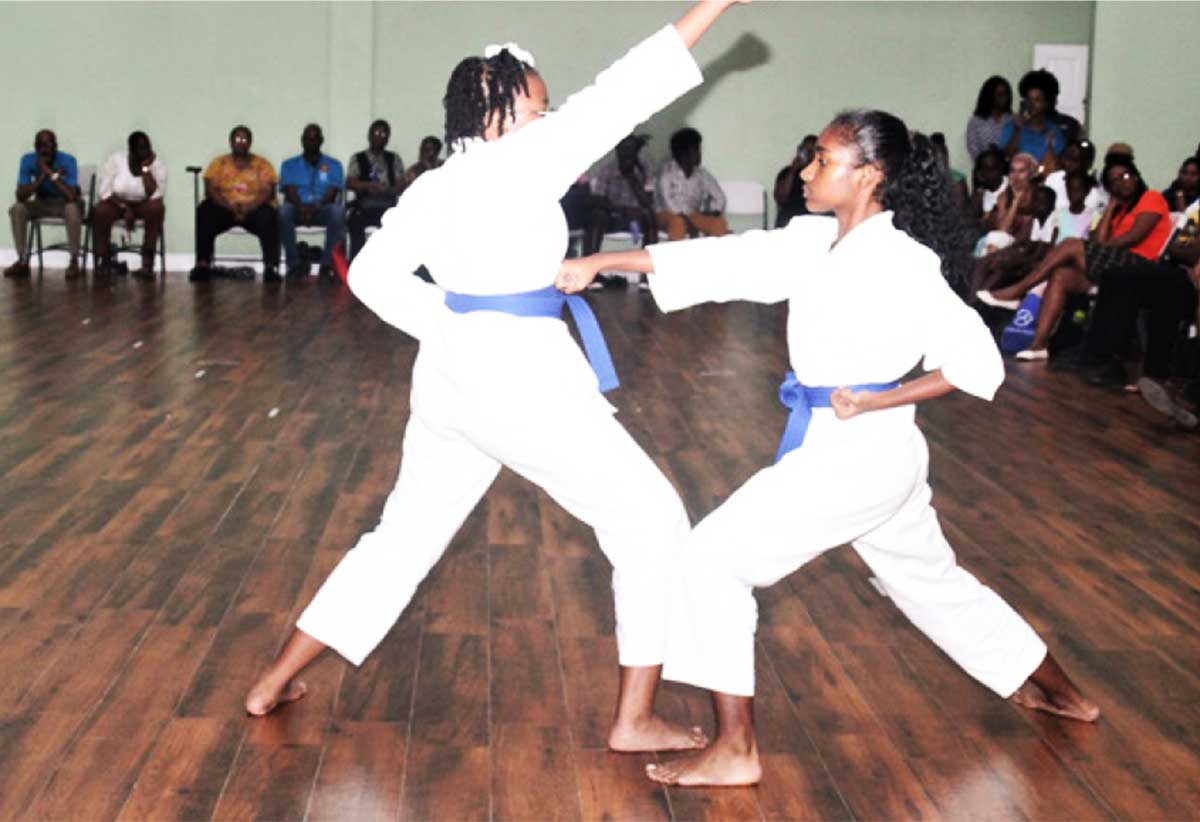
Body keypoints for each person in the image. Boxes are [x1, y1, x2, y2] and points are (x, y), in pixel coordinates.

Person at [244, 1, 750, 757]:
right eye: (542, 108)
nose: (552, 120)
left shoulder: (433, 184)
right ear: (505, 112)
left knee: (401, 539)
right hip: (522, 381)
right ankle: (633, 717)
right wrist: (715, 6)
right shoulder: (527, 157)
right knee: (650, 519)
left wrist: (450, 325)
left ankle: (273, 679)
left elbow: (374, 274)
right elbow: (629, 86)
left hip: (452, 381)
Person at [557, 109, 1098, 787]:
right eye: (812, 158)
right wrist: (602, 260)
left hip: (862, 455)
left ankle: (737, 748)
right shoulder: (815, 241)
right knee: (931, 582)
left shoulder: (905, 262)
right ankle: (1063, 692)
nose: (808, 171)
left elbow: (976, 362)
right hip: (856, 452)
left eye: (824, 160)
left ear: (870, 176)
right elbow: (721, 258)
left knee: (711, 559)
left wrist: (879, 398)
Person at [981, 154, 1171, 361]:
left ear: (1135, 176)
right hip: (1114, 267)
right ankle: (1038, 345)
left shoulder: (1151, 198)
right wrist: (1110, 209)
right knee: (1061, 275)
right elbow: (1098, 239)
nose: (1120, 183)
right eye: (1113, 181)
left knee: (1071, 243)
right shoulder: (1120, 210)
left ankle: (1019, 290)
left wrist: (1096, 247)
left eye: (1124, 176)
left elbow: (1134, 237)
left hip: (1142, 267)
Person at [192, 125, 280, 282]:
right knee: (204, 210)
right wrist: (231, 207)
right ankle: (203, 264)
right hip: (225, 207)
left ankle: (270, 267)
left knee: (269, 214)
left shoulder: (262, 164)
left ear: (250, 142)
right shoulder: (219, 163)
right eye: (237, 139)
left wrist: (249, 207)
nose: (241, 142)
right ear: (231, 142)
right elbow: (211, 190)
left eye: (245, 139)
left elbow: (268, 192)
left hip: (254, 208)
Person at [6, 129, 81, 279]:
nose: (44, 149)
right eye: (40, 145)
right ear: (35, 147)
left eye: (48, 144)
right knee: (17, 209)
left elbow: (71, 196)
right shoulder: (28, 160)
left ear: (56, 146)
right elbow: (20, 196)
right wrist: (42, 176)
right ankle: (22, 260)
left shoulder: (68, 160)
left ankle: (74, 261)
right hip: (41, 202)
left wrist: (51, 174)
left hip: (64, 203)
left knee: (72, 209)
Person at [92, 131, 166, 279]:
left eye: (147, 147)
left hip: (142, 204)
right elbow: (104, 192)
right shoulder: (115, 160)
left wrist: (146, 169)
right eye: (141, 148)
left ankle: (147, 263)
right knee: (100, 210)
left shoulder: (156, 164)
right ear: (131, 150)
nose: (145, 152)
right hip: (116, 202)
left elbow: (156, 195)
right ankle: (104, 260)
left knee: (157, 208)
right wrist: (124, 208)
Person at [278, 123, 345, 280]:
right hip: (297, 207)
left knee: (337, 211)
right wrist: (302, 207)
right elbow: (290, 192)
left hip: (322, 208)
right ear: (302, 140)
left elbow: (332, 193)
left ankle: (327, 265)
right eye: (308, 138)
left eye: (315, 138)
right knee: (283, 211)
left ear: (321, 140)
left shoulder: (334, 165)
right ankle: (294, 265)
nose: (311, 142)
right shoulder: (289, 165)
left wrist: (315, 207)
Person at [586, 133, 658, 254]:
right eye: (624, 148)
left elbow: (648, 202)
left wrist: (632, 177)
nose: (627, 153)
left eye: (630, 149)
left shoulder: (645, 168)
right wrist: (622, 210)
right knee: (598, 214)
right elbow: (598, 199)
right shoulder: (607, 169)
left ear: (636, 152)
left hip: (637, 219)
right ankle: (591, 262)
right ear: (617, 149)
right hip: (613, 217)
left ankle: (648, 266)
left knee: (649, 215)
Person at [655, 127, 729, 240]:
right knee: (678, 223)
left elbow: (720, 197)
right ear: (684, 152)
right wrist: (688, 223)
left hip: (692, 215)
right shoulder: (666, 172)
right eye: (696, 150)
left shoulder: (702, 174)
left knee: (719, 223)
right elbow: (668, 204)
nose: (700, 154)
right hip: (667, 215)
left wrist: (715, 212)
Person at [346, 119, 405, 261]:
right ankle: (356, 267)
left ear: (388, 138)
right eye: (377, 132)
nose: (380, 136)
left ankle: (396, 266)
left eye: (384, 133)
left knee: (401, 223)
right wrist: (368, 186)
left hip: (387, 206)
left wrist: (387, 189)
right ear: (369, 135)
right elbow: (350, 182)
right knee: (355, 222)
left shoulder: (394, 158)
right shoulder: (358, 158)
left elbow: (401, 184)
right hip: (364, 205)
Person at [999, 69, 1066, 165]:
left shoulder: (1054, 131)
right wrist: (1017, 130)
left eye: (1037, 100)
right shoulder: (1012, 126)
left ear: (1046, 103)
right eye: (1028, 99)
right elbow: (1006, 157)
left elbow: (1057, 163)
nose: (1031, 104)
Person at [1043, 139, 1107, 218]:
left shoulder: (1097, 190)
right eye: (1066, 158)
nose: (1068, 163)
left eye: (1074, 160)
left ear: (1088, 163)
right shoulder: (1053, 179)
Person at [773, 134, 818, 228]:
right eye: (805, 151)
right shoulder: (787, 172)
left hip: (813, 220)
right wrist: (793, 170)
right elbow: (780, 198)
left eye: (811, 151)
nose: (808, 155)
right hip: (788, 219)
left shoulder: (822, 174)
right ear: (799, 150)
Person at [965, 75, 1013, 162]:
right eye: (1000, 95)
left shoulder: (1013, 120)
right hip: (984, 171)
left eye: (1006, 94)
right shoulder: (975, 122)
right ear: (990, 96)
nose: (1005, 98)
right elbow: (973, 151)